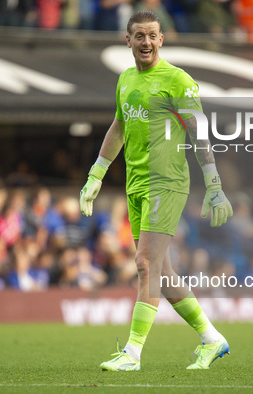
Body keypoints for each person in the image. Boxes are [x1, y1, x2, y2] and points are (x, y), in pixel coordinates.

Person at [79, 10, 233, 371]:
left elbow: (199, 134)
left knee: (145, 264)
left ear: (161, 39)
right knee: (161, 272)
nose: (146, 42)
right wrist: (96, 176)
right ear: (128, 40)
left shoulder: (178, 81)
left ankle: (132, 353)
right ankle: (212, 339)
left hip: (168, 183)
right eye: (139, 36)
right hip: (136, 184)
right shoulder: (125, 80)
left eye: (153, 35)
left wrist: (214, 185)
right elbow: (117, 127)